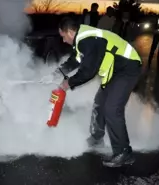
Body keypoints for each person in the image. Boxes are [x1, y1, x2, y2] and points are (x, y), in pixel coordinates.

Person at [43, 17, 142, 167]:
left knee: (112, 109)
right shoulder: (82, 39)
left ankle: (124, 153)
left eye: (63, 36)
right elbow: (75, 61)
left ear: (70, 32)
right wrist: (55, 74)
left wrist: (68, 83)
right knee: (99, 103)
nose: (63, 40)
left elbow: (88, 71)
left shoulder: (89, 40)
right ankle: (97, 139)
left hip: (127, 68)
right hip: (114, 71)